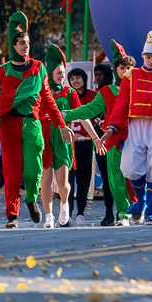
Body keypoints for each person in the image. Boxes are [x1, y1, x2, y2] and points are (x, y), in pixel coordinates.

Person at [0, 12, 73, 228]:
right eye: (22, 43)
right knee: (12, 173)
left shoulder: (39, 68)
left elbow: (48, 100)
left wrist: (60, 125)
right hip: (9, 124)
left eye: (28, 43)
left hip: (32, 123)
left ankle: (31, 198)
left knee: (34, 171)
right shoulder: (1, 72)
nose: (26, 46)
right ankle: (12, 216)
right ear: (13, 45)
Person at [101, 30, 152, 226]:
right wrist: (111, 127)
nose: (151, 60)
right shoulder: (131, 76)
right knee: (129, 168)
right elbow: (121, 104)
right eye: (148, 57)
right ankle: (142, 201)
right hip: (134, 126)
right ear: (142, 56)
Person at [62, 41, 135, 226]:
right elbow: (89, 110)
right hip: (114, 140)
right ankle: (123, 214)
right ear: (116, 70)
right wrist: (67, 114)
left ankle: (144, 208)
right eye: (121, 68)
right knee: (116, 179)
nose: (125, 71)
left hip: (138, 138)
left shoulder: (138, 89)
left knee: (138, 176)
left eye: (128, 68)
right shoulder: (107, 91)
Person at [40, 45, 102, 228]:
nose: (61, 76)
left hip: (62, 139)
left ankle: (65, 204)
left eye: (62, 72)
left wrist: (95, 138)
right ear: (50, 72)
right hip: (44, 137)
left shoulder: (70, 93)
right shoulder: (40, 92)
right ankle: (49, 217)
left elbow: (83, 116)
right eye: (58, 72)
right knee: (45, 179)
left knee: (62, 182)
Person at [65, 65, 99, 227]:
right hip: (70, 144)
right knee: (68, 179)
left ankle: (80, 212)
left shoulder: (93, 96)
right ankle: (68, 212)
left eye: (78, 78)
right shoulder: (66, 96)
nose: (75, 81)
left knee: (84, 180)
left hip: (86, 144)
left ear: (84, 79)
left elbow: (96, 116)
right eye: (72, 79)